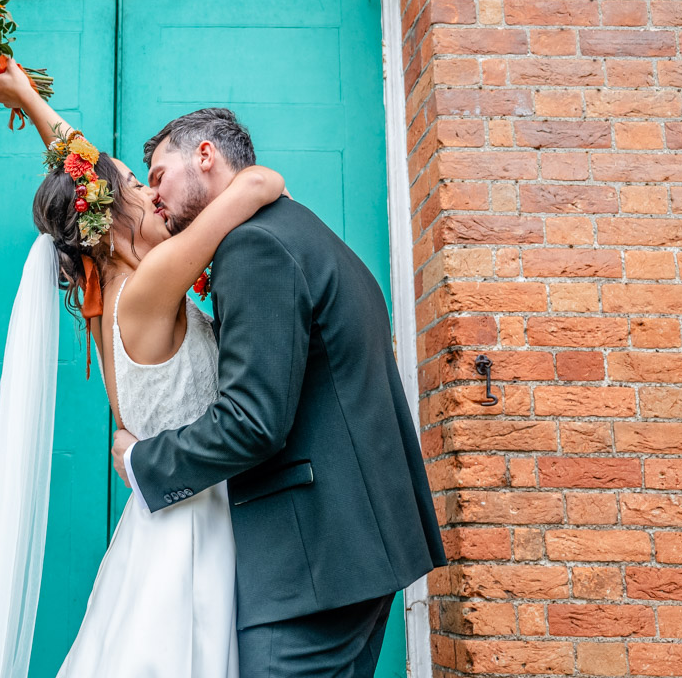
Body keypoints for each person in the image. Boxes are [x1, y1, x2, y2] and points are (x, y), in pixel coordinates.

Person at [109, 106, 448, 678]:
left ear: (206, 156)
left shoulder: (254, 248)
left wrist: (143, 460)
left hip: (311, 565)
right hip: (356, 550)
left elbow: (253, 422)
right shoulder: (302, 230)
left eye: (159, 176)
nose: (155, 196)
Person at [0, 60, 282, 676]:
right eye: (139, 187)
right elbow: (258, 186)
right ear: (112, 217)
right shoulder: (148, 287)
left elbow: (93, 181)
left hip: (162, 517)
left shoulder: (108, 302)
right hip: (192, 531)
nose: (152, 194)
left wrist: (28, 100)